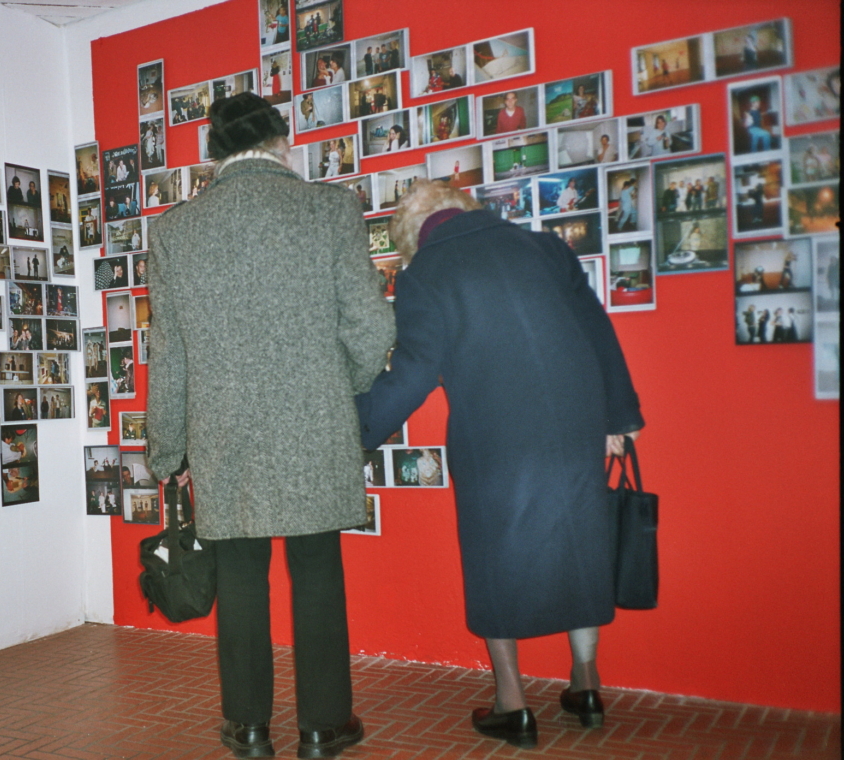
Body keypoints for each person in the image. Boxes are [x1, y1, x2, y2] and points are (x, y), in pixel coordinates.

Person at [146, 92, 394, 759]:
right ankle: (322, 727)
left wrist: (167, 450)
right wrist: (338, 388)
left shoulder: (175, 231)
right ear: (283, 142)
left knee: (242, 575)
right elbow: (371, 328)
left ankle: (249, 728)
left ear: (214, 154)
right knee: (317, 570)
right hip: (314, 421)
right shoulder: (330, 209)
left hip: (223, 433)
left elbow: (168, 354)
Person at [355, 180, 643, 750]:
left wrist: (351, 429)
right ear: (466, 209)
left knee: (495, 558)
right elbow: (598, 333)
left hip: (495, 436)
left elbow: (412, 373)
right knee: (580, 545)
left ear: (410, 237)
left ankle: (513, 705)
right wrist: (619, 417)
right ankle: (585, 686)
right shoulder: (545, 248)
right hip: (574, 424)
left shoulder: (425, 276)